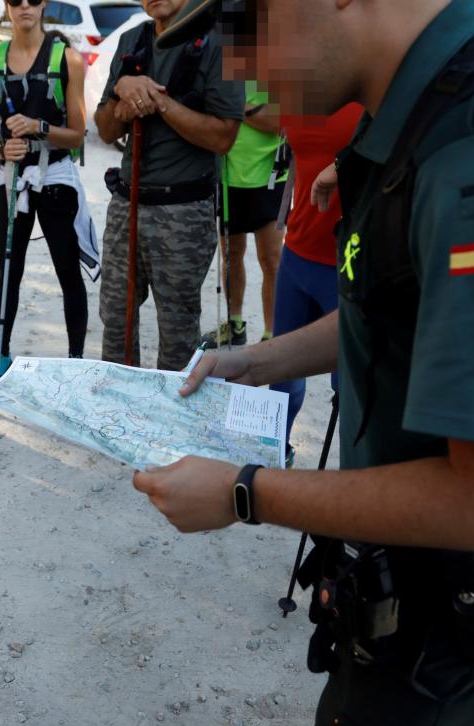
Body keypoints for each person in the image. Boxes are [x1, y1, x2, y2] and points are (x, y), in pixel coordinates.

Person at [134, 1, 474, 726]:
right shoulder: (421, 115)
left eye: (248, 25)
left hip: (473, 674)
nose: (239, 65)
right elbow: (400, 307)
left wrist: (247, 493)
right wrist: (255, 359)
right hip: (413, 636)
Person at [94, 0, 244, 371]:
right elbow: (105, 128)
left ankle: (169, 422)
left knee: (177, 329)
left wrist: (156, 100)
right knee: (115, 317)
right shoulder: (131, 41)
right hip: (127, 204)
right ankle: (117, 414)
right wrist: (121, 92)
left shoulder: (218, 45)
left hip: (183, 212)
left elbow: (223, 136)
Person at [0, 0, 97, 384]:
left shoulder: (67, 59)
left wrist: (37, 126)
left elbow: (77, 134)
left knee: (66, 272)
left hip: (55, 175)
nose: (24, 5)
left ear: (44, 4)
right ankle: (0, 353)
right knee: (8, 270)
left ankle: (75, 360)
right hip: (13, 176)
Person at [269, 103, 362, 447]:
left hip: (347, 264)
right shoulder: (299, 85)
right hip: (296, 252)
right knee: (281, 377)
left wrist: (342, 164)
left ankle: (355, 487)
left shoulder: (371, 88)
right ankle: (274, 462)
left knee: (350, 392)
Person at [203, 81, 287, 348]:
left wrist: (234, 108)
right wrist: (250, 111)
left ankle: (272, 333)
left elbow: (278, 121)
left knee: (271, 260)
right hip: (228, 174)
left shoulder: (278, 65)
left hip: (270, 175)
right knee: (231, 255)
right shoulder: (226, 66)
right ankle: (234, 323)